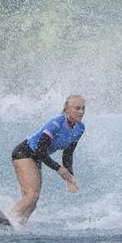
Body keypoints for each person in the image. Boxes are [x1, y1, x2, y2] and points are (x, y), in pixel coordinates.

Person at [10, 94, 85, 225]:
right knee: (30, 195)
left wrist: (70, 178)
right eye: (77, 108)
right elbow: (40, 150)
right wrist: (58, 169)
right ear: (67, 109)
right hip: (25, 152)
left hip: (37, 158)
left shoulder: (80, 128)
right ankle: (7, 218)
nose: (81, 112)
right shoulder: (56, 123)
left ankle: (18, 226)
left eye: (83, 108)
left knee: (34, 201)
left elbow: (68, 154)